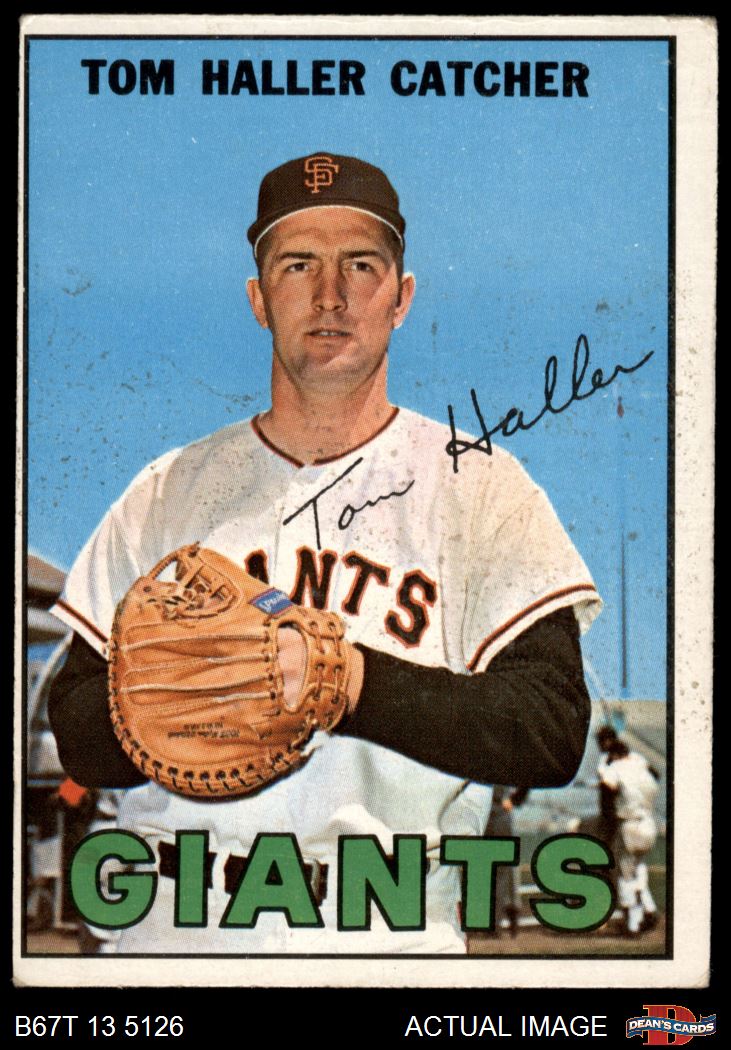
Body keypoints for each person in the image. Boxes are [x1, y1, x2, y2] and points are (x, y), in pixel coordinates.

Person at [48, 152, 602, 954]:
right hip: (178, 918)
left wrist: (348, 683)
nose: (330, 295)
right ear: (258, 299)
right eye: (298, 264)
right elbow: (76, 731)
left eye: (361, 265)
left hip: (387, 927)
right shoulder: (167, 489)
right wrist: (192, 706)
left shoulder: (480, 486)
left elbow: (550, 728)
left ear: (401, 298)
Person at [596, 729, 660, 937]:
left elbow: (607, 792)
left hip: (629, 825)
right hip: (649, 823)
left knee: (624, 875)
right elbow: (656, 775)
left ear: (614, 753)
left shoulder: (613, 766)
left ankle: (632, 924)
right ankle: (648, 909)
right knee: (638, 866)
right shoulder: (639, 761)